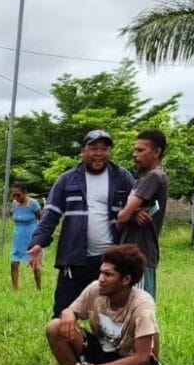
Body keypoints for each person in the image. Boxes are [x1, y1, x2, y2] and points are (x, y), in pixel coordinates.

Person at [28, 129, 135, 316]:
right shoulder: (67, 179)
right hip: (75, 258)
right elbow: (51, 214)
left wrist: (140, 212)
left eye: (104, 148)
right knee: (62, 316)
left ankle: (102, 346)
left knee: (113, 316)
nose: (99, 153)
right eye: (93, 148)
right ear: (83, 151)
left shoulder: (123, 177)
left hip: (111, 262)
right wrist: (38, 242)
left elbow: (138, 203)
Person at [44, 244, 162, 365]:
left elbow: (142, 358)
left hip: (131, 360)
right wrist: (68, 312)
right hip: (102, 350)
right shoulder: (95, 289)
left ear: (125, 279)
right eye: (100, 273)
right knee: (55, 327)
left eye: (108, 274)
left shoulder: (142, 305)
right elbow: (71, 312)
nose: (101, 279)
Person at [117, 129, 168, 298]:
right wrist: (135, 212)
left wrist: (127, 214)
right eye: (134, 149)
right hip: (135, 255)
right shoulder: (144, 178)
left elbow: (122, 217)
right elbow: (128, 214)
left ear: (156, 152)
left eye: (140, 150)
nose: (134, 154)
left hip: (139, 255)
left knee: (138, 312)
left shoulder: (154, 176)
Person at [10, 182, 42, 290]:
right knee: (14, 262)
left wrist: (39, 237)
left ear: (25, 193)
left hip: (31, 235)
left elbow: (41, 219)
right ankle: (14, 288)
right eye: (13, 195)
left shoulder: (33, 203)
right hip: (18, 235)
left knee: (34, 263)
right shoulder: (14, 203)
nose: (15, 197)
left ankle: (38, 288)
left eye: (18, 194)